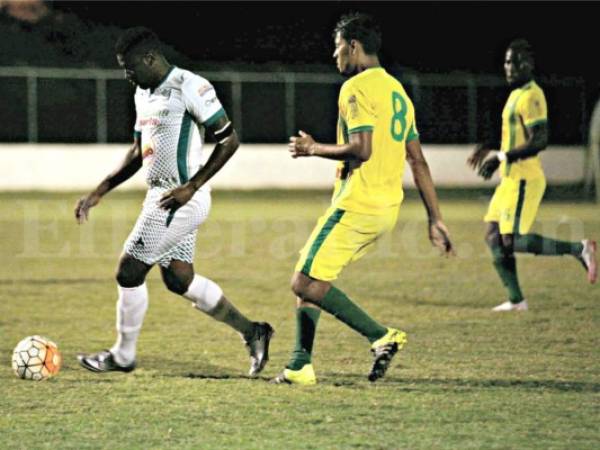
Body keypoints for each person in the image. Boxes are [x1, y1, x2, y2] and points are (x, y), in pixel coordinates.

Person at [74, 27, 273, 375]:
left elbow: (229, 140)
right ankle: (253, 331)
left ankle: (123, 355)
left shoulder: (190, 86)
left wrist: (192, 186)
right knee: (179, 279)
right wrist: (100, 191)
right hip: (161, 197)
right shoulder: (143, 94)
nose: (127, 75)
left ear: (150, 58)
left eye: (130, 66)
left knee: (128, 270)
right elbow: (138, 151)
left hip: (179, 200)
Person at [272, 13, 454, 385]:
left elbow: (361, 149)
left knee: (303, 281)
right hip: (385, 207)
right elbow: (417, 159)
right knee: (315, 276)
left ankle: (380, 336)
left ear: (353, 46)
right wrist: (435, 217)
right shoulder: (397, 91)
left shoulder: (355, 88)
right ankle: (300, 364)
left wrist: (311, 148)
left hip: (358, 204)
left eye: (336, 46)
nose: (334, 55)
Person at [468, 38, 597, 312]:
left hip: (525, 178)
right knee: (493, 235)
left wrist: (501, 157)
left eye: (514, 61)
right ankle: (517, 301)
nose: (509, 67)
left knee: (511, 239)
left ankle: (580, 249)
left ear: (528, 64)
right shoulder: (515, 94)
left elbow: (540, 140)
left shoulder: (532, 95)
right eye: (506, 61)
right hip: (510, 179)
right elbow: (515, 137)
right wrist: (489, 147)